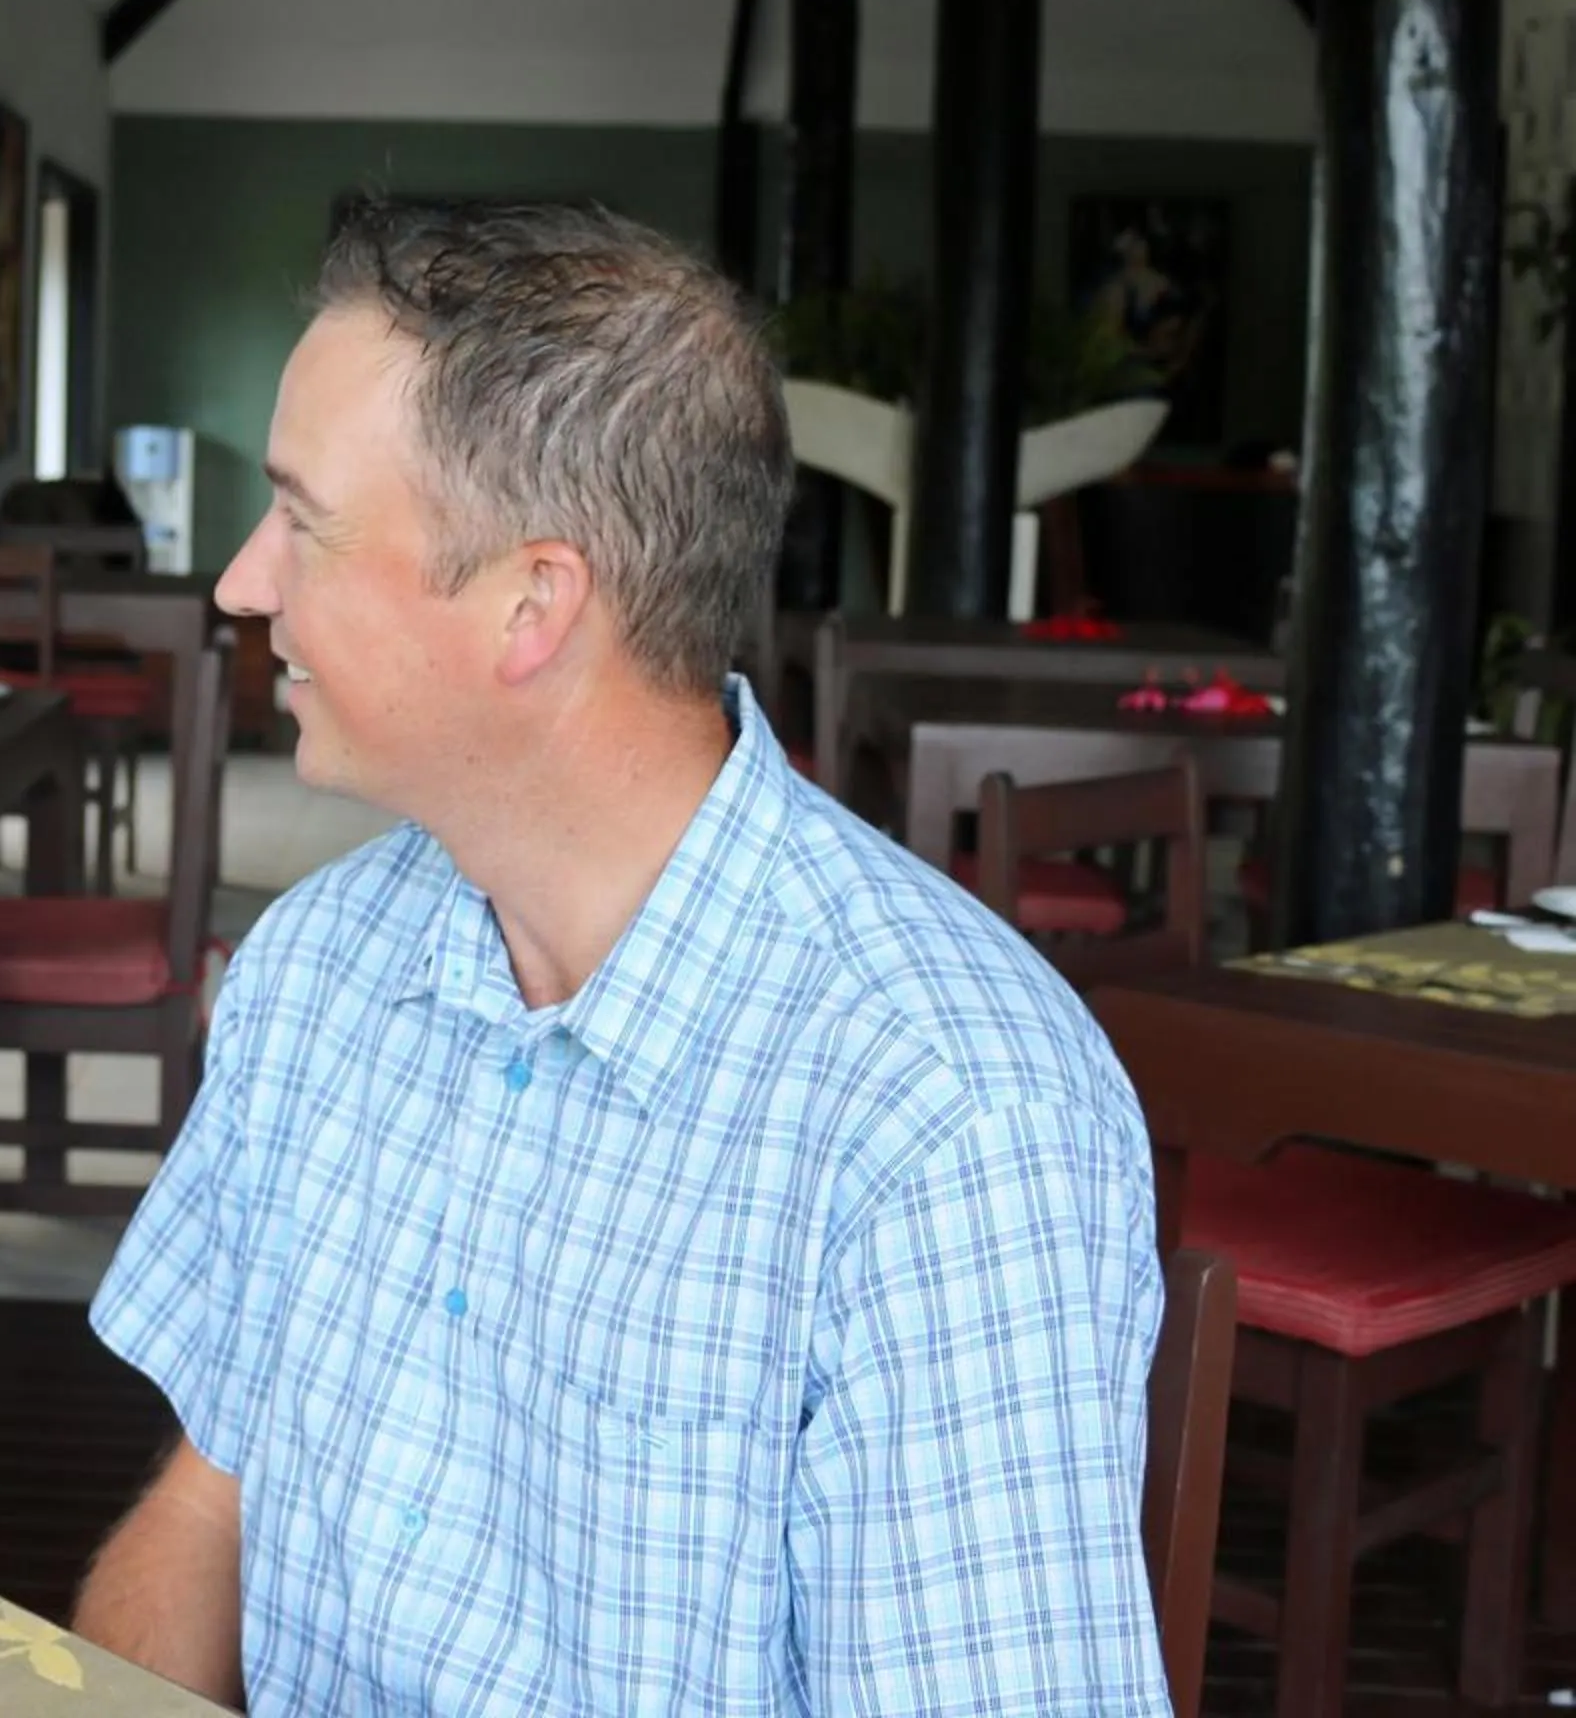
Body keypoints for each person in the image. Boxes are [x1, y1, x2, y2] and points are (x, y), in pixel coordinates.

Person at [71, 201, 1170, 1711]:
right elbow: (211, 1502)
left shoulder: (947, 1124)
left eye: (303, 520)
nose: (244, 583)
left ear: (534, 601)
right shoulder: (315, 972)